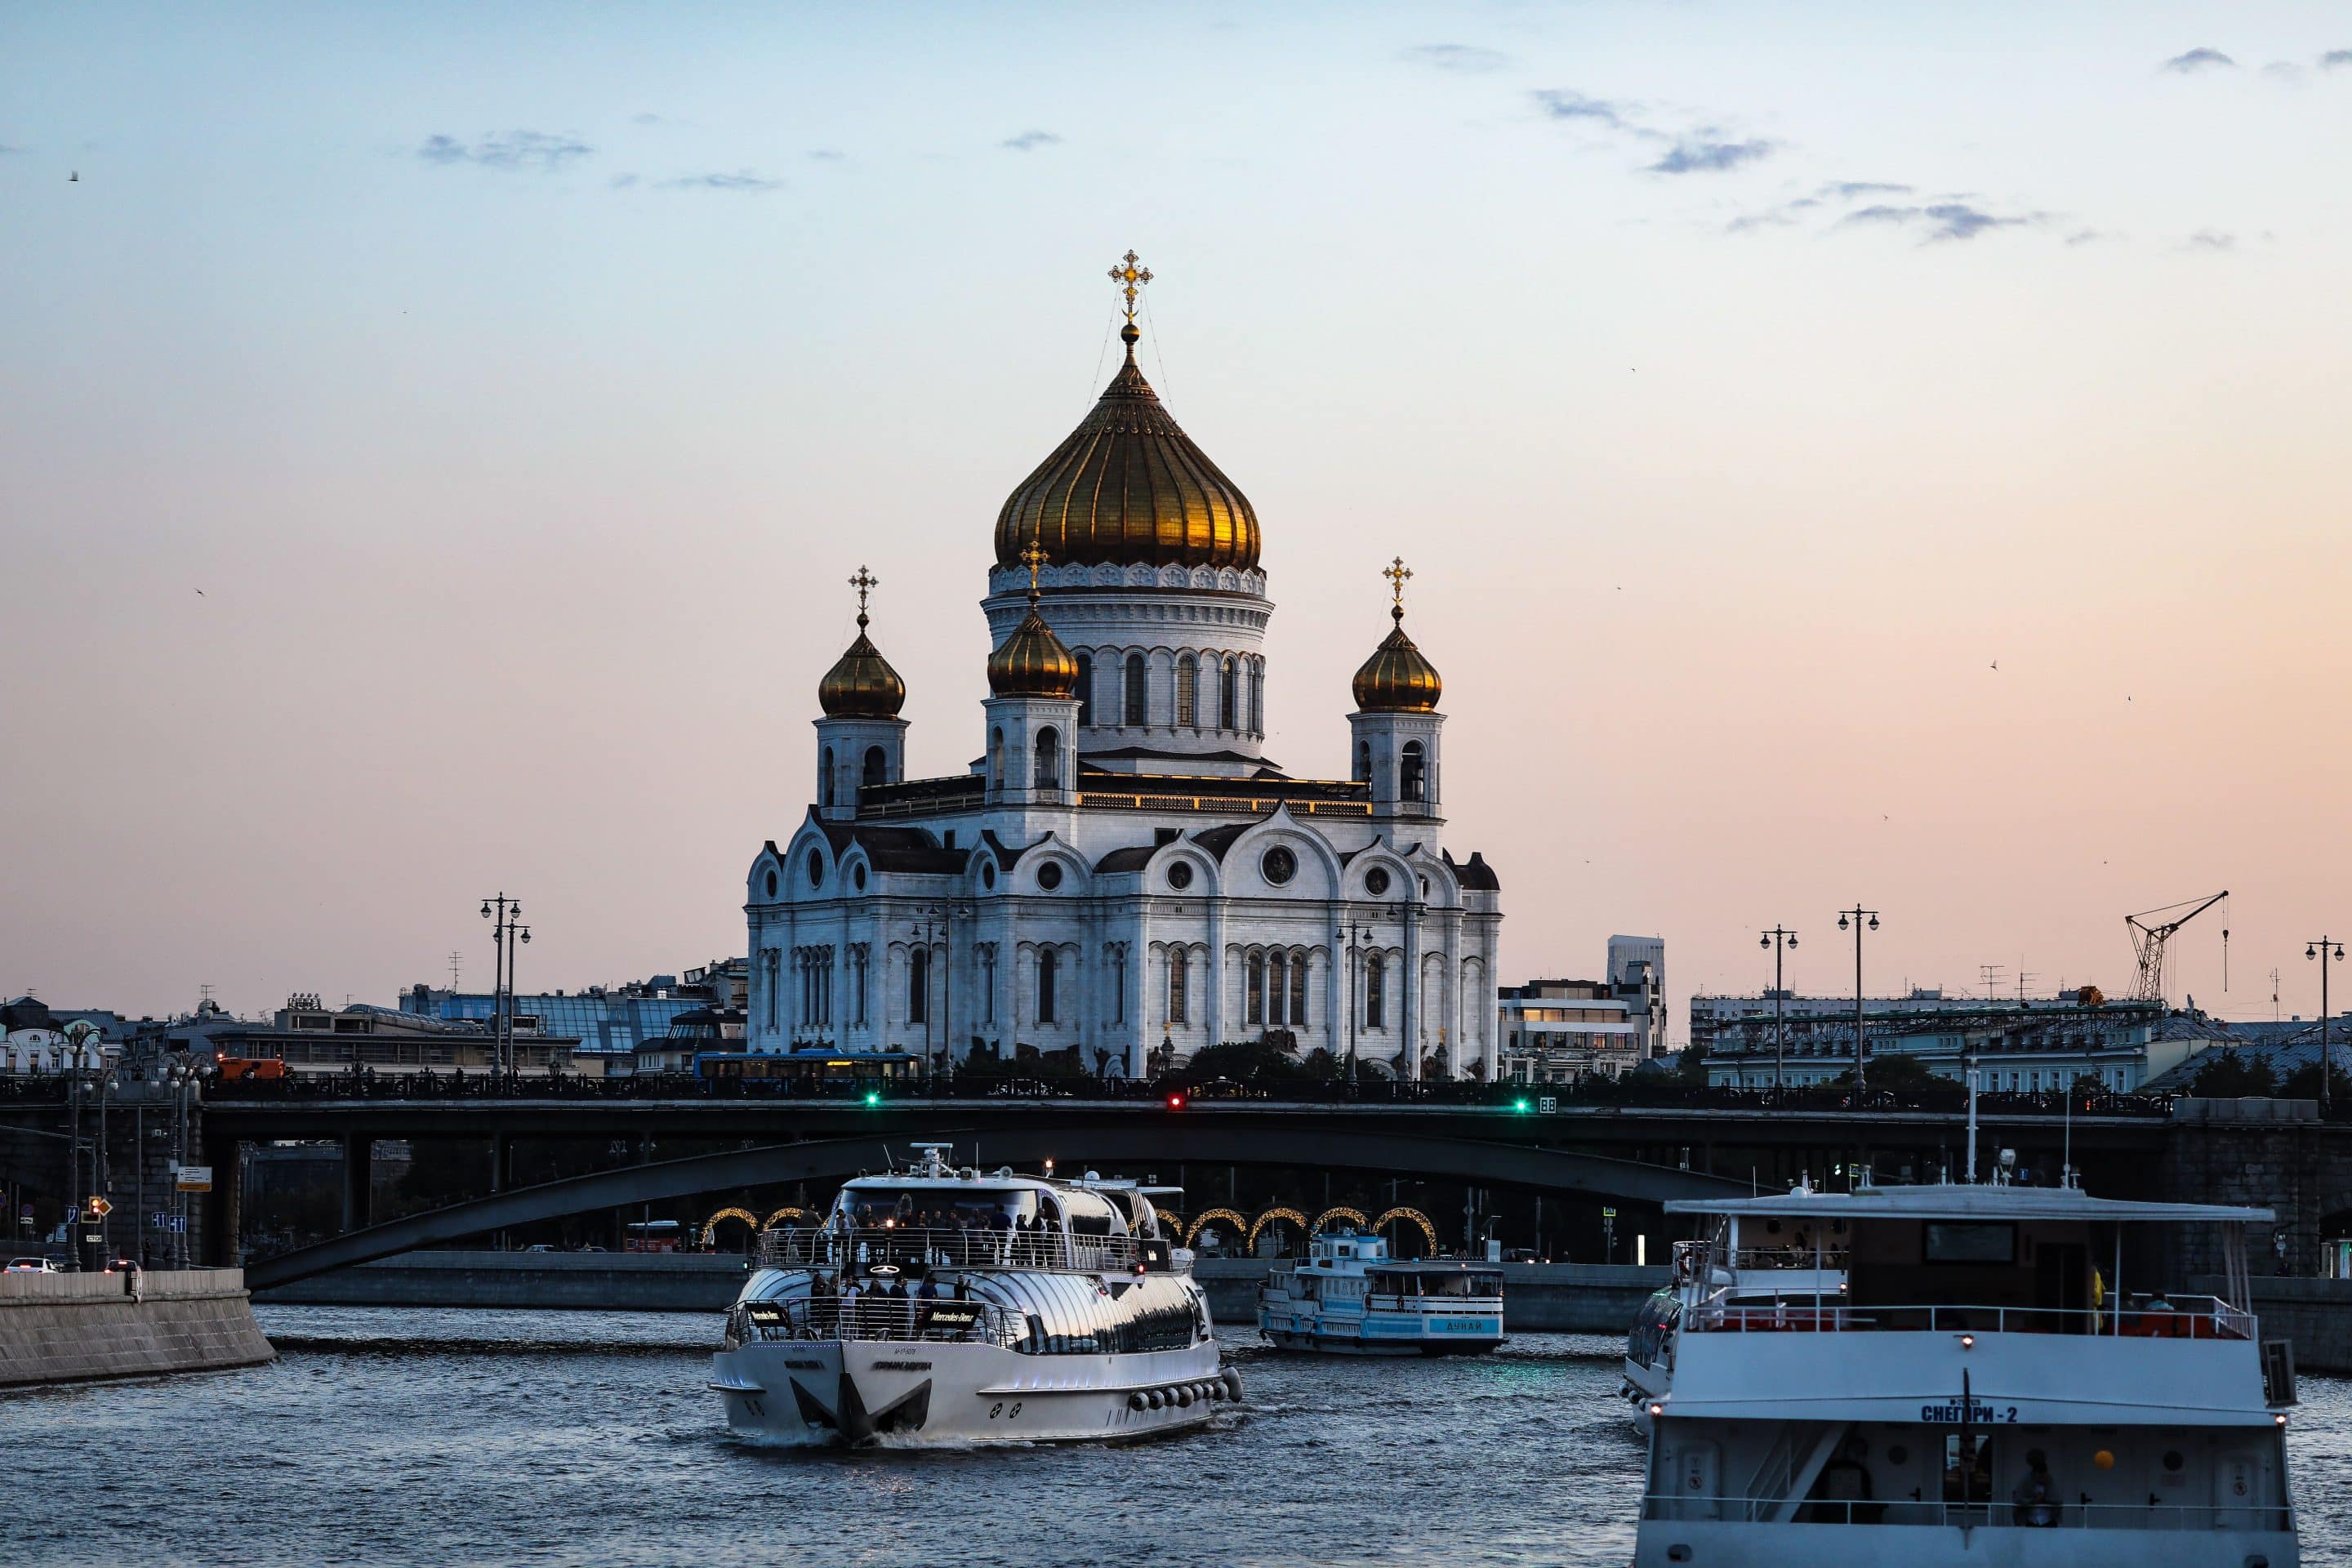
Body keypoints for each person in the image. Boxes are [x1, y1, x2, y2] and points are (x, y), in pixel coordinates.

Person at [2011, 1450, 2060, 1527]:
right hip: (2031, 1520)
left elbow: (2058, 1500)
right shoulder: (2025, 1482)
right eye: (2039, 1477)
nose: (2042, 1479)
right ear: (2034, 1474)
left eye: (2044, 1477)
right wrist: (2033, 1501)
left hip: (2048, 1520)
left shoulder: (2051, 1482)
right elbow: (2018, 1499)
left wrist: (2044, 1499)